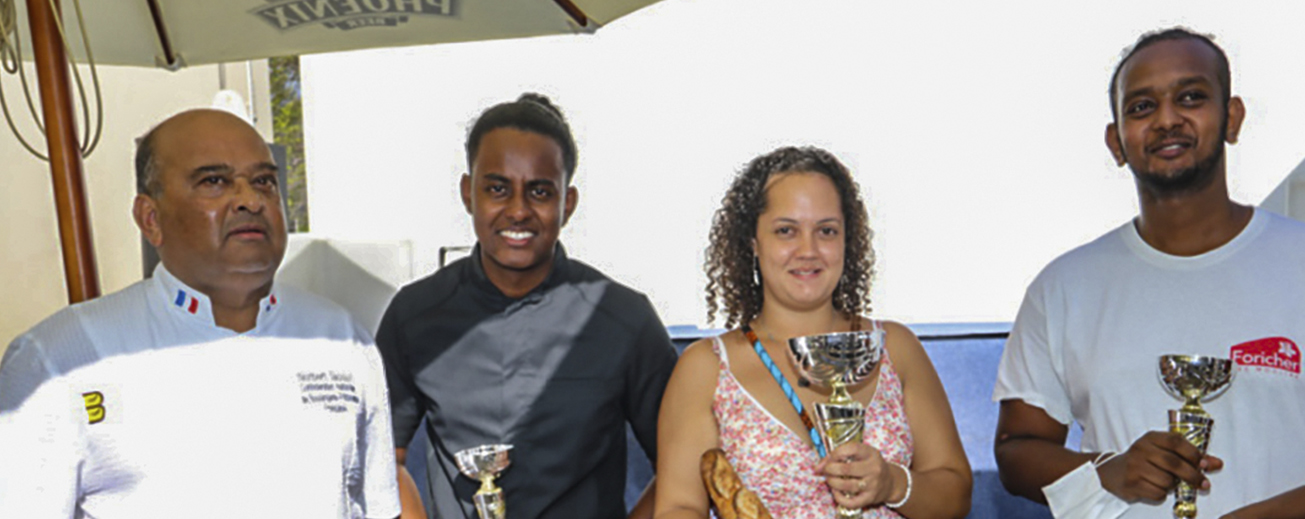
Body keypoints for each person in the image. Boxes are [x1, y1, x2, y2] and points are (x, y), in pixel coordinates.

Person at [993, 28, 1305, 519]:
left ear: (1232, 118)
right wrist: (1105, 468)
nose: (1167, 119)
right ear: (1116, 141)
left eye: (1191, 97)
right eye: (1141, 107)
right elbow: (1018, 451)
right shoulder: (1062, 288)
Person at [0, 109, 400, 518]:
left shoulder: (340, 339)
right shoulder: (60, 358)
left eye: (264, 181)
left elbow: (379, 507)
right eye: (214, 181)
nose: (250, 200)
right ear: (150, 219)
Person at [376, 93, 679, 519]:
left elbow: (683, 467)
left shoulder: (623, 319)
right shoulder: (415, 314)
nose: (517, 211)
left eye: (539, 191)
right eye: (498, 189)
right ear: (468, 193)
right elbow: (383, 459)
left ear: (567, 204)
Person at [654, 146, 973, 519]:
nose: (808, 250)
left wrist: (893, 483)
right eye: (786, 231)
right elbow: (677, 508)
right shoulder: (705, 367)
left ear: (846, 240)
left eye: (826, 230)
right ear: (753, 244)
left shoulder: (895, 348)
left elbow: (956, 496)